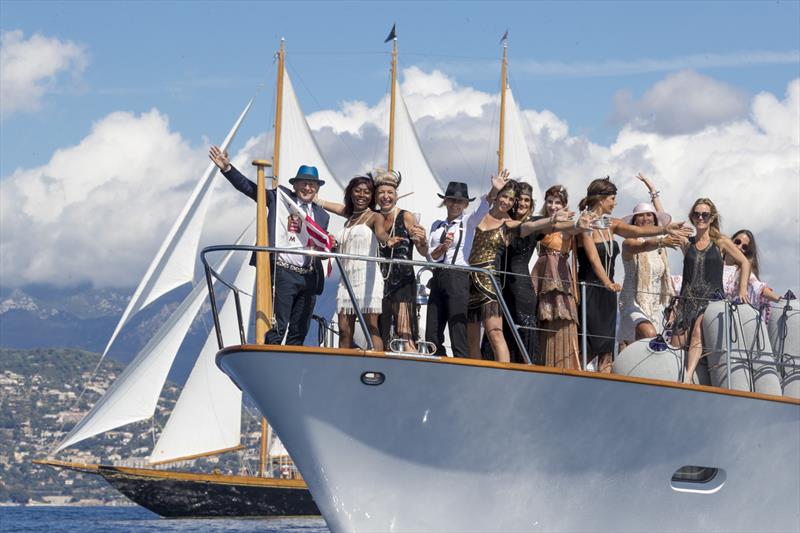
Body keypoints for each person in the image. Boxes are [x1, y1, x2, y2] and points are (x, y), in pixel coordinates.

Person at [209, 146, 331, 346]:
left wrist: (328, 249)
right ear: (295, 185)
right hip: (283, 271)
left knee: (300, 329)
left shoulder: (322, 216)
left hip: (309, 276)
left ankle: (292, 369)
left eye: (312, 185)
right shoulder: (279, 199)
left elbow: (321, 250)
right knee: (278, 326)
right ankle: (271, 358)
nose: (308, 188)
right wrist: (227, 168)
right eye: (304, 183)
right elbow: (249, 188)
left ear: (317, 188)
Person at [576, 177, 691, 373]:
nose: (615, 203)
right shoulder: (584, 223)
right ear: (601, 199)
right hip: (591, 288)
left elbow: (637, 231)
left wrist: (664, 228)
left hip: (609, 291)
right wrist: (606, 282)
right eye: (613, 198)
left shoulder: (611, 224)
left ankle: (605, 381)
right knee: (588, 344)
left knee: (606, 348)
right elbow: (593, 258)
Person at [467, 171, 581, 363]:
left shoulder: (509, 223)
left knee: (495, 332)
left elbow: (530, 227)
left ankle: (505, 374)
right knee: (472, 338)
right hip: (471, 279)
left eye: (512, 199)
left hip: (492, 282)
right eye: (505, 196)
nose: (508, 202)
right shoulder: (479, 216)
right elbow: (482, 208)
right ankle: (478, 374)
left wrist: (555, 219)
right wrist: (494, 189)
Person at [313, 174, 403, 351]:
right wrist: (315, 199)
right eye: (358, 191)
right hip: (346, 280)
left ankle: (377, 367)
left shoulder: (374, 217)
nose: (362, 195)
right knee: (344, 329)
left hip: (367, 277)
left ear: (372, 196)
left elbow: (381, 234)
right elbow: (336, 207)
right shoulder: (350, 218)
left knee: (371, 328)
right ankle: (344, 368)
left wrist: (388, 240)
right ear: (351, 193)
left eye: (367, 192)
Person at [669, 198, 750, 383]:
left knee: (698, 328)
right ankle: (674, 383)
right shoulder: (686, 243)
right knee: (676, 345)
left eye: (704, 214)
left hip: (711, 300)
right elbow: (665, 226)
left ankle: (688, 377)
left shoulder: (721, 241)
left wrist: (742, 290)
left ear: (711, 217)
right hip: (687, 300)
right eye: (696, 214)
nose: (700, 218)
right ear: (692, 217)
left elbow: (744, 262)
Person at [619, 174, 682, 344]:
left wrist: (653, 192)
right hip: (633, 303)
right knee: (648, 334)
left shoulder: (662, 248)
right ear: (634, 222)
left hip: (656, 305)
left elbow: (663, 220)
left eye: (649, 215)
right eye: (641, 216)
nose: (646, 219)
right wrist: (662, 238)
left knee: (650, 347)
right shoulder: (630, 242)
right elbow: (643, 246)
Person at [374, 170, 428, 351]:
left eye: (390, 192)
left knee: (404, 331)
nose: (386, 196)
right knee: (378, 331)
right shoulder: (374, 217)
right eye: (381, 192)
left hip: (402, 280)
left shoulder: (406, 216)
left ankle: (411, 364)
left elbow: (422, 249)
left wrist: (422, 239)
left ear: (396, 196)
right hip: (378, 281)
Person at [531, 185, 581, 369]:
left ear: (564, 205)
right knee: (543, 319)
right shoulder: (543, 223)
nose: (553, 205)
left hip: (558, 275)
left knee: (561, 319)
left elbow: (573, 230)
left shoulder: (567, 226)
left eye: (557, 202)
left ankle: (562, 364)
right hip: (542, 275)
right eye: (550, 201)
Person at [425, 181, 476, 357]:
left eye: (460, 201)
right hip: (438, 276)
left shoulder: (469, 222)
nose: (455, 204)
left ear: (466, 204)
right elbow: (431, 256)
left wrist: (495, 189)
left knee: (457, 327)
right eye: (452, 200)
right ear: (445, 201)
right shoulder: (437, 225)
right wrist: (443, 247)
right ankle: (437, 363)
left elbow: (485, 208)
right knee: (432, 330)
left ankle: (461, 366)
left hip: (458, 276)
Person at [722, 229, 782, 319]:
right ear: (730, 241)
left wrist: (782, 300)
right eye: (737, 242)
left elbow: (760, 289)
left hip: (729, 318)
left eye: (744, 247)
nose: (739, 247)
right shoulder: (714, 262)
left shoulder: (742, 272)